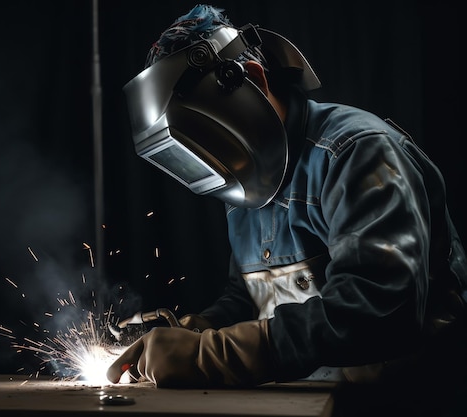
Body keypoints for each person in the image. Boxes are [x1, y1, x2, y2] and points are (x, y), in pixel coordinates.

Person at [107, 4, 467, 412]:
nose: (212, 162)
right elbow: (248, 296)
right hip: (314, 401)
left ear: (254, 82)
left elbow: (378, 312)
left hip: (409, 402)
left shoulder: (355, 153)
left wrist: (210, 355)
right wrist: (200, 328)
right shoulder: (249, 179)